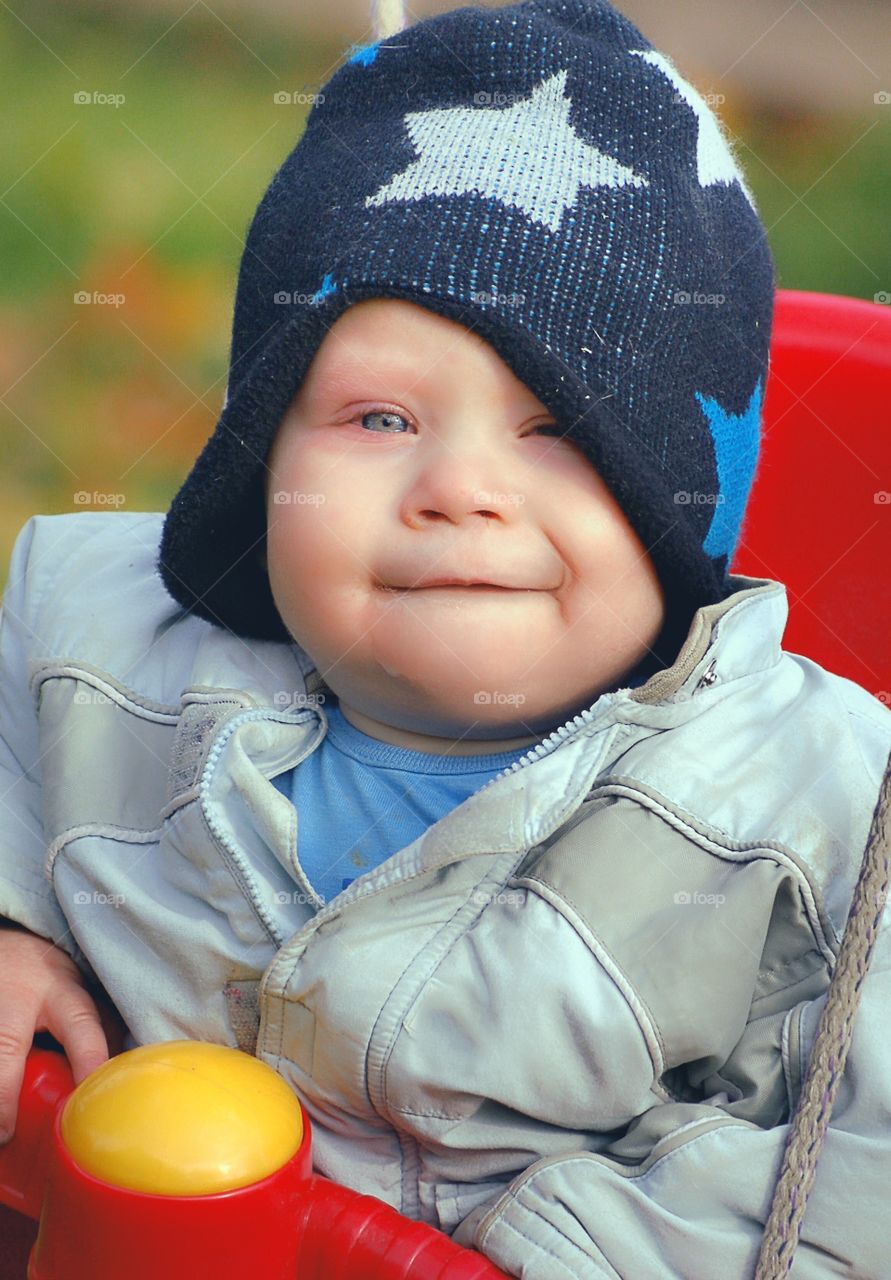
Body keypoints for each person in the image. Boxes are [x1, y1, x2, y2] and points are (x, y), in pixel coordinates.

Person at [1, 1, 889, 1275]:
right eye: (377, 418)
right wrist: (14, 921)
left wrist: (533, 1244)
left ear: (677, 496)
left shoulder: (811, 820)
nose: (460, 488)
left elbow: (854, 1166)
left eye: (558, 428)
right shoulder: (100, 640)